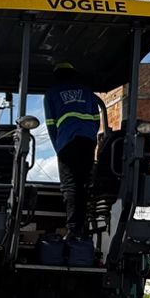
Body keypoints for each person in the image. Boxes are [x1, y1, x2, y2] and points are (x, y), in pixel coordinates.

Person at [42, 60, 108, 240]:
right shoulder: (87, 92)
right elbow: (96, 120)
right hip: (87, 141)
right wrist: (90, 138)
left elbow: (51, 125)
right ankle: (83, 226)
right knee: (84, 183)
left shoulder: (51, 94)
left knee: (70, 185)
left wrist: (58, 148)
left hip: (66, 142)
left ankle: (73, 230)